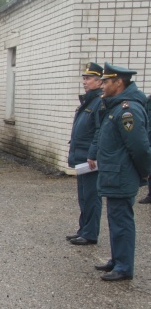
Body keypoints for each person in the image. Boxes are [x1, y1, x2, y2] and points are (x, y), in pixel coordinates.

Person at [93, 62, 151, 281]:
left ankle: (124, 267)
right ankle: (117, 260)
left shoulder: (128, 110)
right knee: (115, 219)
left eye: (106, 81)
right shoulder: (116, 107)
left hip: (121, 174)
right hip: (114, 174)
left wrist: (145, 172)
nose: (102, 85)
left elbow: (140, 147)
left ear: (118, 83)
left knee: (122, 221)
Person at [66, 62, 103, 246]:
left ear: (99, 82)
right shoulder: (88, 101)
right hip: (81, 157)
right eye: (84, 78)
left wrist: (93, 154)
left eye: (88, 79)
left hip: (90, 159)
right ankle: (83, 229)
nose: (84, 82)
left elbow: (99, 131)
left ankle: (90, 233)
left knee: (91, 197)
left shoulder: (99, 103)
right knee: (83, 196)